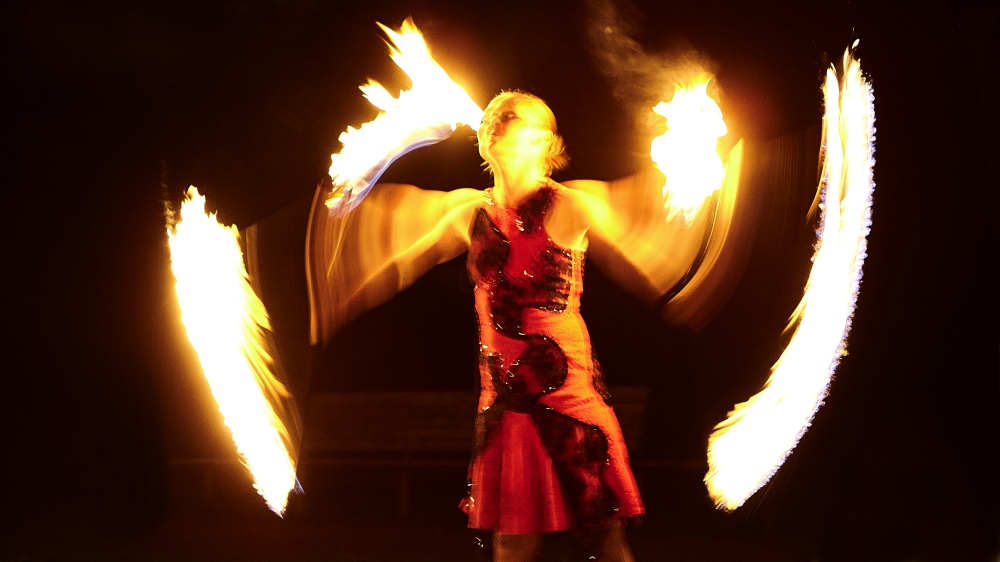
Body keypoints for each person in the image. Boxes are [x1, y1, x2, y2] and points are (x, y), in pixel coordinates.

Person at [307, 90, 736, 561]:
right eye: (493, 116)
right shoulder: (470, 212)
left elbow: (646, 243)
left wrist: (692, 278)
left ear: (541, 140)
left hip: (566, 395)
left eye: (510, 116)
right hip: (505, 404)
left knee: (602, 536)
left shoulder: (571, 204)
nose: (495, 121)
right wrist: (335, 295)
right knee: (512, 542)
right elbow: (397, 257)